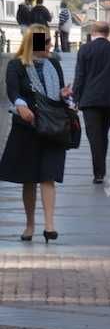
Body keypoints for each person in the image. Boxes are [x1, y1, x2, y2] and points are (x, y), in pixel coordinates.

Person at [0, 25, 73, 243]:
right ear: (34, 42)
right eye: (47, 41)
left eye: (51, 40)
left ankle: (49, 225)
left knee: (48, 176)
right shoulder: (16, 65)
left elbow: (58, 93)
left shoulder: (54, 64)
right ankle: (30, 224)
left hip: (52, 128)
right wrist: (21, 105)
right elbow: (12, 91)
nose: (51, 44)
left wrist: (63, 94)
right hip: (27, 128)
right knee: (29, 179)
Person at [73, 21, 110, 183]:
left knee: (94, 136)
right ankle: (100, 169)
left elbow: (80, 75)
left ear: (93, 32)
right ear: (108, 33)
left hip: (89, 100)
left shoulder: (84, 49)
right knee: (102, 133)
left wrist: (75, 98)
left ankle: (99, 172)